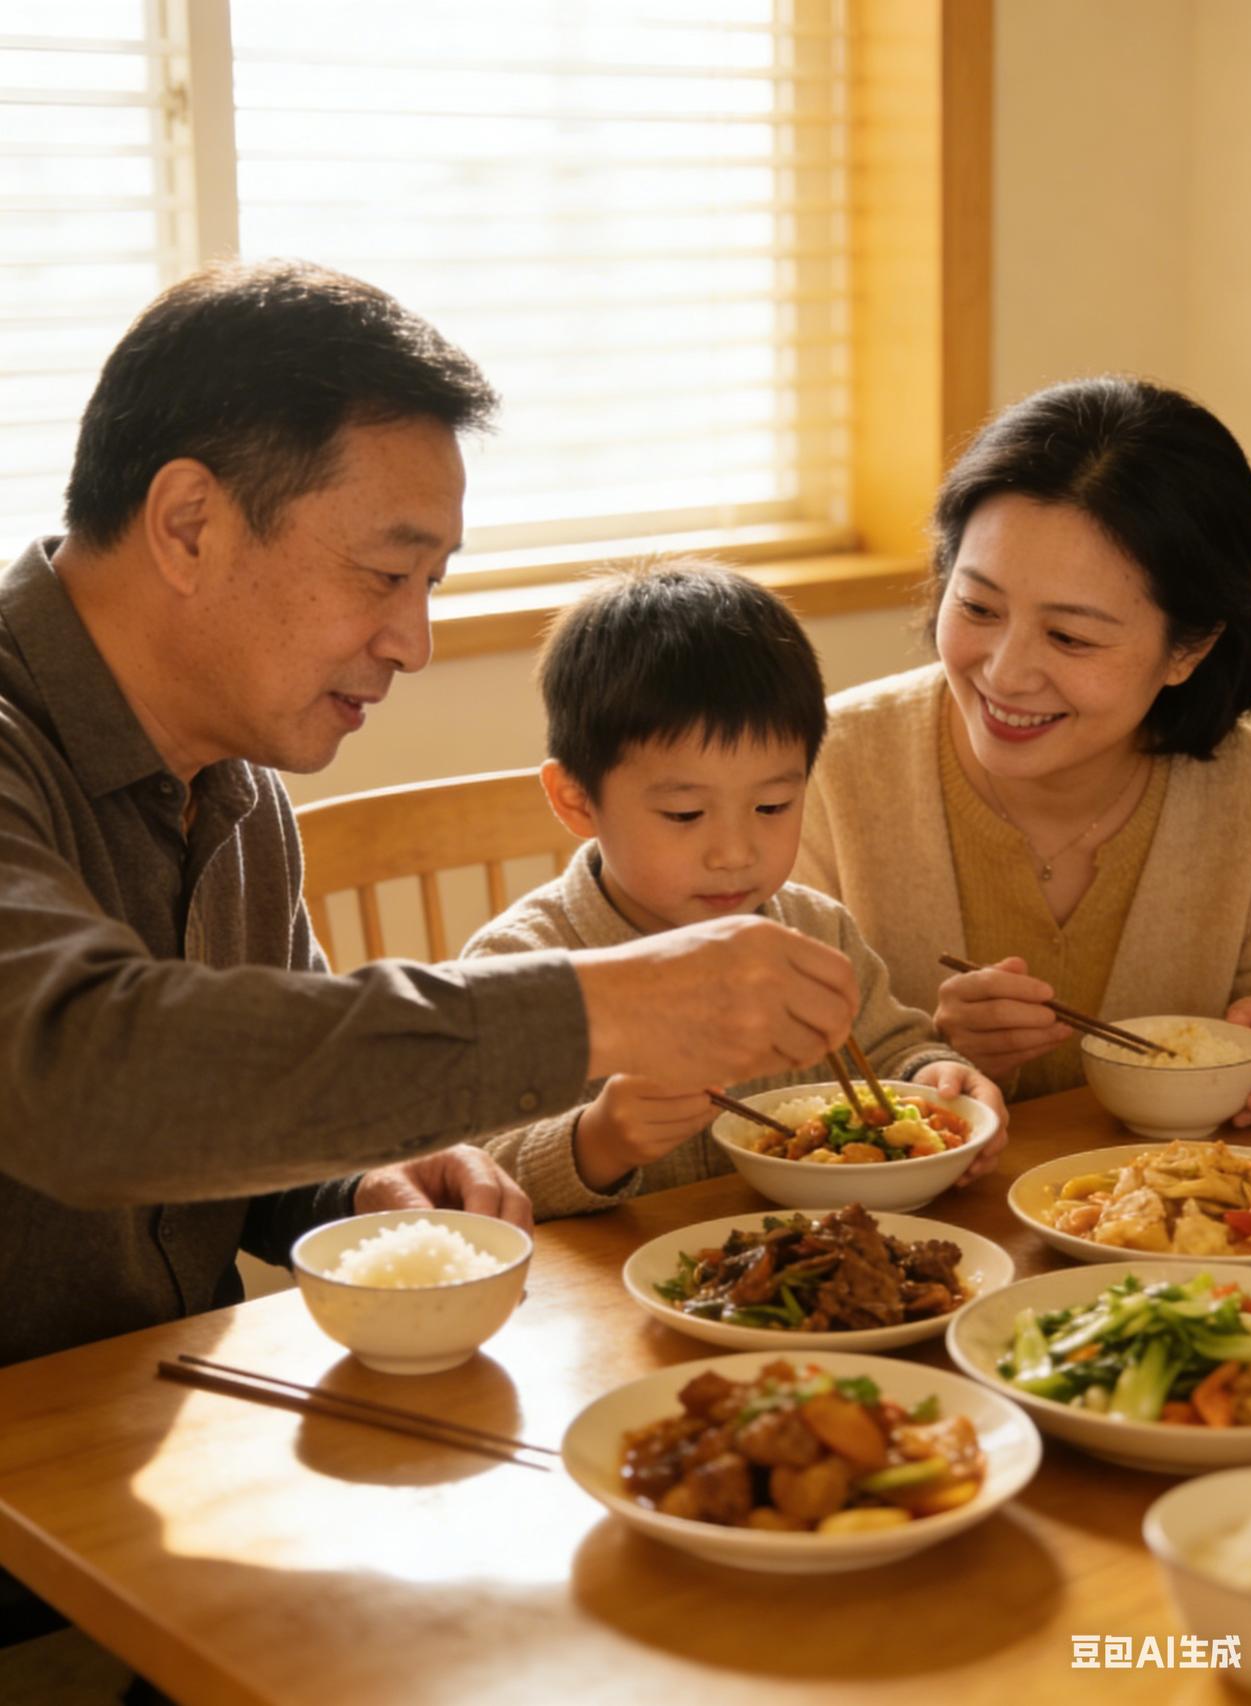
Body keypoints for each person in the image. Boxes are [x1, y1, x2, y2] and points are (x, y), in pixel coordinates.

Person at [0, 259, 862, 1369]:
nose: (413, 642)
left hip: (151, 1423)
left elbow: (247, 1102)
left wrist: (359, 1180)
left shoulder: (240, 792)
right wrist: (601, 1003)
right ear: (187, 523)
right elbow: (89, 1082)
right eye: (382, 574)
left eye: (431, 585)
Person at [794, 375, 1251, 1118]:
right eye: (978, 607)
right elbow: (753, 1089)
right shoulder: (817, 774)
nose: (1007, 672)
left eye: (1070, 636)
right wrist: (925, 1061)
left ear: (1191, 648)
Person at [460, 562, 1007, 1218]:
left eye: (773, 805)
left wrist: (936, 1079)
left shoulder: (815, 929)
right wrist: (596, 1141)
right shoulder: (519, 967)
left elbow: (891, 1050)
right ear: (576, 800)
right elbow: (471, 1174)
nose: (735, 853)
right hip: (613, 1303)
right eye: (685, 815)